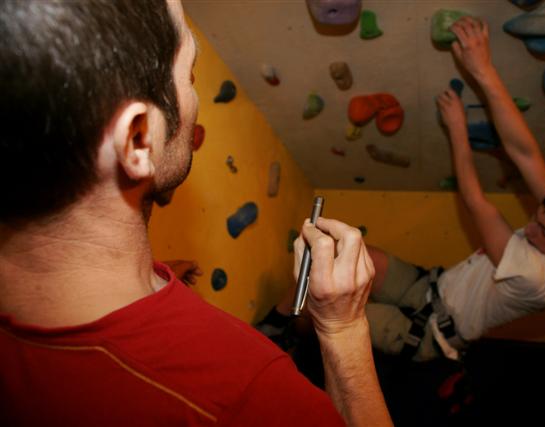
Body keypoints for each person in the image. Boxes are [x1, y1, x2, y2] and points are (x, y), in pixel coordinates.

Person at [0, 1, 392, 426]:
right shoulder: (247, 393)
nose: (195, 98)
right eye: (189, 76)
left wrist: (153, 279)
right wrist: (343, 327)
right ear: (138, 140)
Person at [257, 17, 545, 363]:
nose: (529, 229)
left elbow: (476, 202)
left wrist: (457, 128)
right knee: (341, 255)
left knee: (321, 305)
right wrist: (483, 69)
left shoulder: (541, 281)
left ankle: (282, 337)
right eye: (537, 219)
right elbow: (524, 152)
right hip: (431, 286)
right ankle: (278, 317)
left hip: (431, 332)